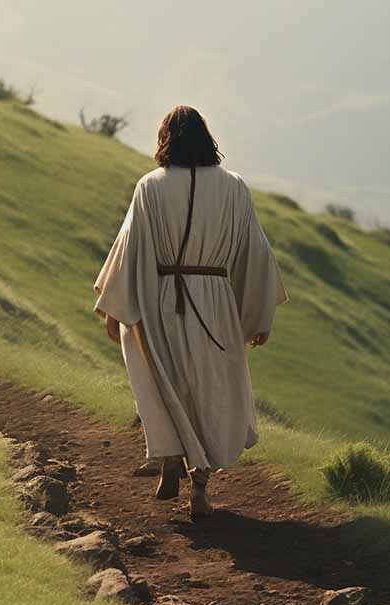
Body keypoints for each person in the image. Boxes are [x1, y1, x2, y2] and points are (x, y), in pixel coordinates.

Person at [93, 105, 288, 517]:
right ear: (206, 139)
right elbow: (257, 252)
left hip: (161, 296)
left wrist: (116, 309)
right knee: (209, 388)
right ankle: (199, 484)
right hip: (215, 301)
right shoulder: (235, 188)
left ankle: (168, 462)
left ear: (165, 139)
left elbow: (129, 248)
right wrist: (258, 315)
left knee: (164, 379)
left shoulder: (150, 186)